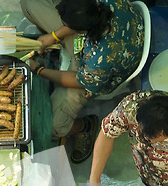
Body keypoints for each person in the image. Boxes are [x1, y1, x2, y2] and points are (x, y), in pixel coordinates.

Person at [21, 0, 145, 163]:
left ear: (82, 29)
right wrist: (53, 36)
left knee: (52, 127)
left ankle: (86, 126)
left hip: (91, 74)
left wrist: (39, 70)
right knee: (29, 4)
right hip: (88, 45)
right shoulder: (97, 6)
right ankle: (60, 46)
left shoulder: (101, 59)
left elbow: (78, 80)